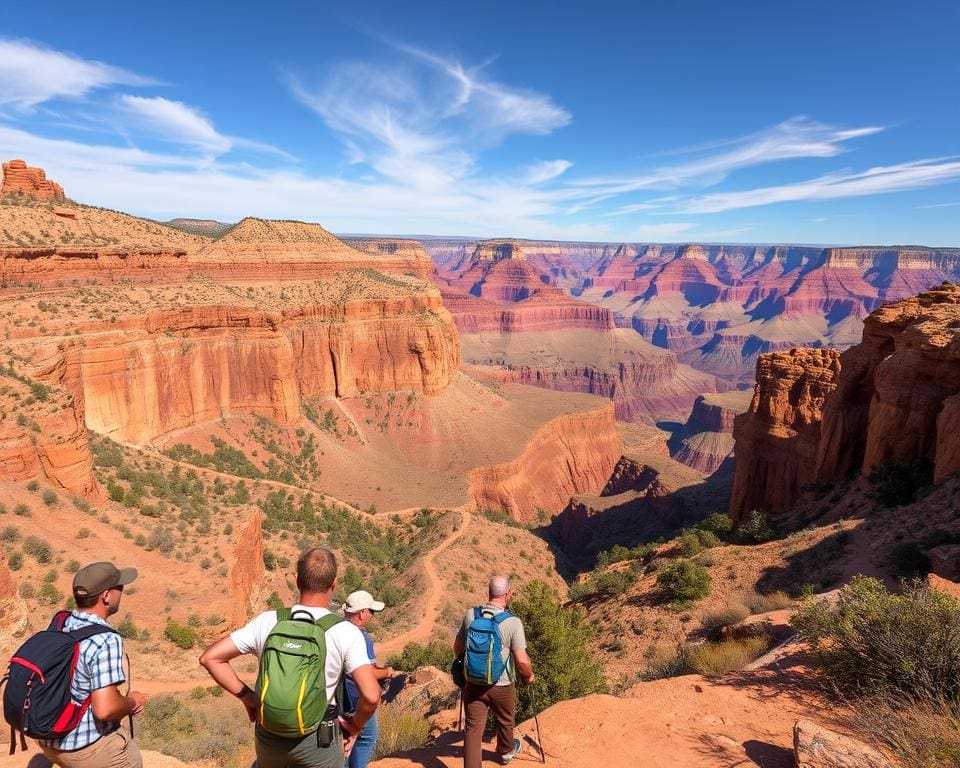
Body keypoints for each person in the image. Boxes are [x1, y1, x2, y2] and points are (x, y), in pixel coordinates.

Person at [199, 547, 380, 768]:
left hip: (269, 737)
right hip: (319, 741)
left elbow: (210, 658)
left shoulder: (267, 621)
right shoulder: (346, 632)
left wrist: (248, 697)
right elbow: (371, 696)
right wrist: (355, 727)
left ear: (297, 581)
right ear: (333, 584)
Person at [39, 561, 147, 768]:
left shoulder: (61, 621)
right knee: (132, 759)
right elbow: (104, 709)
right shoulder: (105, 639)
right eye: (119, 588)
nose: (121, 593)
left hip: (48, 740)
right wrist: (132, 701)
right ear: (106, 596)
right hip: (83, 749)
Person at [454, 575, 535, 768]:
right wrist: (529, 676)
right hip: (502, 684)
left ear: (488, 592)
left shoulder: (470, 615)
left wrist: (465, 666)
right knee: (506, 719)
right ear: (508, 594)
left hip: (473, 682)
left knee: (473, 729)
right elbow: (522, 661)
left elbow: (458, 647)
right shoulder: (513, 622)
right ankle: (506, 752)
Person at [340, 590, 395, 768]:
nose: (372, 616)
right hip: (357, 700)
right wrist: (386, 672)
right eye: (371, 611)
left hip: (337, 701)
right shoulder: (362, 638)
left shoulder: (336, 629)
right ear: (362, 612)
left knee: (341, 741)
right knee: (367, 736)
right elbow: (369, 672)